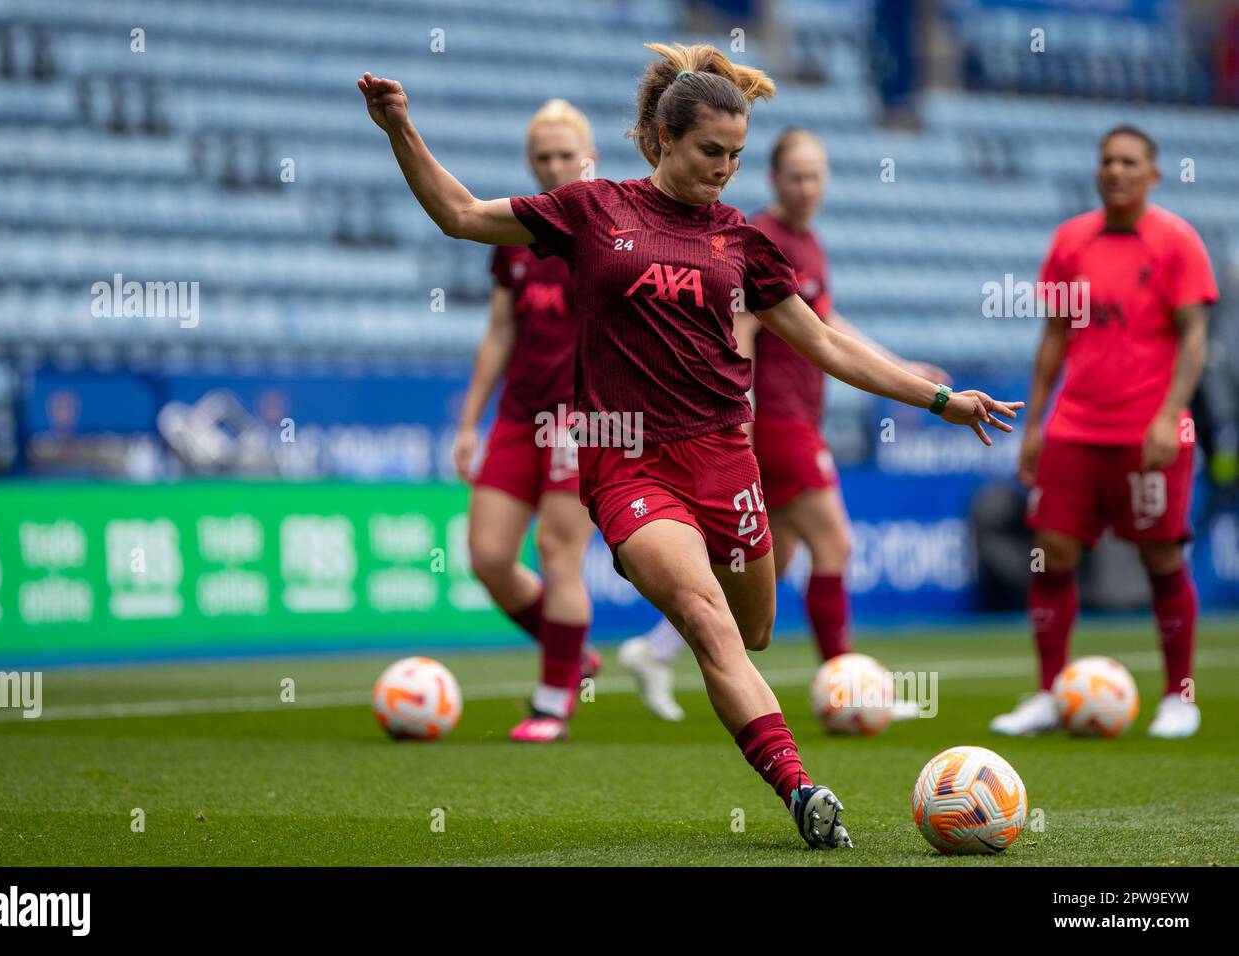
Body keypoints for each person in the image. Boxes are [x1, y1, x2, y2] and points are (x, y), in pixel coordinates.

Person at [359, 42, 1020, 849]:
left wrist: (940, 397)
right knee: (705, 619)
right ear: (664, 139)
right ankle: (801, 790)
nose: (725, 169)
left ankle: (660, 592)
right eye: (712, 151)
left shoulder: (741, 242)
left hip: (724, 460)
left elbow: (827, 346)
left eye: (738, 155)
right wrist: (400, 130)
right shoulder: (592, 209)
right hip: (627, 460)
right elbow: (461, 215)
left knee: (752, 633)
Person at [620, 127, 947, 723]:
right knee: (835, 544)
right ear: (773, 179)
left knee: (782, 555)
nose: (807, 186)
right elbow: (740, 331)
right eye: (795, 175)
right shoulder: (760, 237)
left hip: (800, 416)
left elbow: (822, 322)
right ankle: (849, 689)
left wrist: (900, 367)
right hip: (776, 421)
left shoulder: (808, 243)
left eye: (815, 175)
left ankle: (655, 650)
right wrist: (737, 418)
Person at [992, 125, 1217, 739]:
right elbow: (1055, 338)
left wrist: (1173, 413)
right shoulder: (1071, 242)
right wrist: (1035, 424)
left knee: (1161, 556)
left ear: (1153, 173)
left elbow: (1195, 337)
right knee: (1052, 553)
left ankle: (1180, 696)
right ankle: (1048, 691)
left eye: (1128, 161)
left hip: (1150, 429)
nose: (1114, 170)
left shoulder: (1177, 242)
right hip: (1075, 426)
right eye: (1106, 161)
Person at [453, 99, 600, 743]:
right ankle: (573, 656)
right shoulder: (516, 235)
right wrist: (468, 423)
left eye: (566, 155)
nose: (554, 166)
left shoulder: (607, 230)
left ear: (588, 158)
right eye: (543, 157)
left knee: (556, 551)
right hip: (519, 413)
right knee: (486, 556)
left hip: (587, 417)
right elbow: (499, 332)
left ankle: (551, 702)